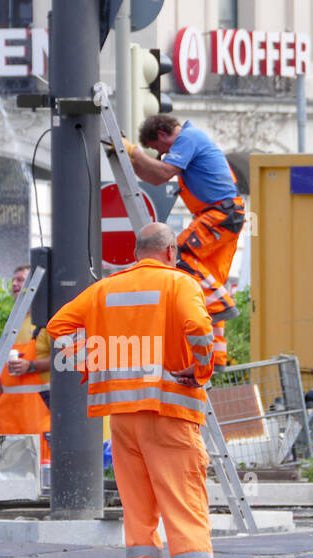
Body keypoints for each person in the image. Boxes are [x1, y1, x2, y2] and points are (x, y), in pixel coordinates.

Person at [47, 223, 217, 558]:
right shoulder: (180, 284)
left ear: (137, 250)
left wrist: (89, 363)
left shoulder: (105, 289)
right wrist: (200, 370)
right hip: (170, 414)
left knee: (140, 518)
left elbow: (57, 328)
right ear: (171, 251)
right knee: (184, 511)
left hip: (121, 420)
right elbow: (198, 327)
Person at [129, 114, 245, 377]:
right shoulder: (191, 140)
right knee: (205, 284)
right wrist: (131, 159)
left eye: (158, 149)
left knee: (177, 256)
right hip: (222, 215)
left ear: (161, 134)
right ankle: (217, 358)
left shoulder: (187, 138)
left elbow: (161, 172)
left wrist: (133, 151)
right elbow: (156, 178)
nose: (161, 154)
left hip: (218, 215)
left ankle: (224, 304)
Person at [0, 264, 51, 462]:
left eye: (21, 280)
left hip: (38, 412)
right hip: (9, 415)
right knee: (11, 474)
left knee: (41, 472)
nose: (15, 284)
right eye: (14, 280)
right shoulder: (12, 321)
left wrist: (31, 366)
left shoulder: (46, 321)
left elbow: (64, 360)